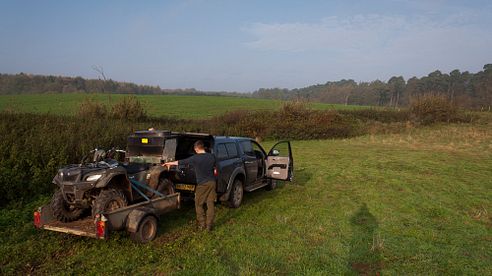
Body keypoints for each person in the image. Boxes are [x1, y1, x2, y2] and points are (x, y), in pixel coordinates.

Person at [163, 140, 216, 231]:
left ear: (196, 149)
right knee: (210, 203)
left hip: (202, 184)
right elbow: (215, 169)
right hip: (212, 182)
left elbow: (180, 162)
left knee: (198, 204)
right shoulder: (212, 156)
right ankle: (209, 226)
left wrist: (168, 163)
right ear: (203, 147)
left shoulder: (195, 158)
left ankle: (202, 224)